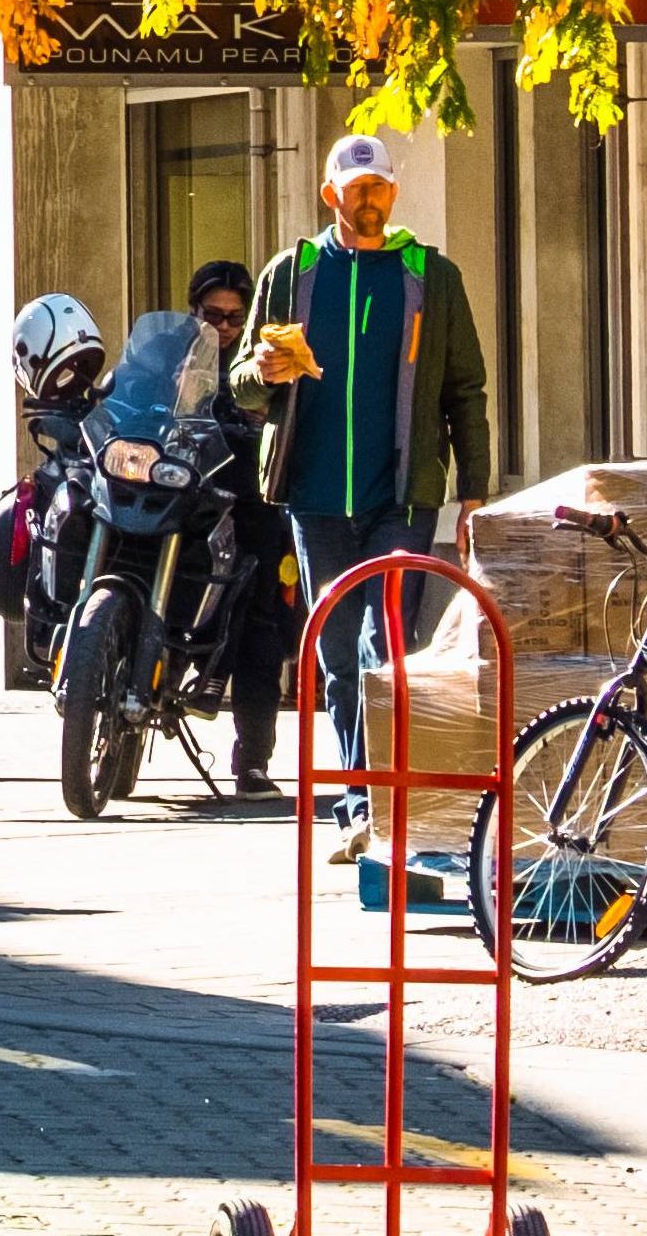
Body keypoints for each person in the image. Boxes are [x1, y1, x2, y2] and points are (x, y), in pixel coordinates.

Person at [244, 133, 490, 828]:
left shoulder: (429, 276)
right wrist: (260, 373)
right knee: (338, 652)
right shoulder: (292, 273)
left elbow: (464, 390)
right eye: (356, 192)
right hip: (314, 497)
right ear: (331, 197)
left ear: (394, 192)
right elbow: (237, 386)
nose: (369, 201)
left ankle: (380, 802)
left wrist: (471, 494)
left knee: (384, 649)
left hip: (402, 496)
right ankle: (357, 799)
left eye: (378, 188)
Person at [172, 255, 298, 797]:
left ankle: (252, 759)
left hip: (250, 501)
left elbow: (286, 418)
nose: (222, 328)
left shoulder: (261, 361)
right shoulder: (169, 354)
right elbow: (126, 396)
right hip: (181, 502)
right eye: (212, 315)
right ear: (193, 310)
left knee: (260, 619)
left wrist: (260, 422)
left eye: (233, 318)